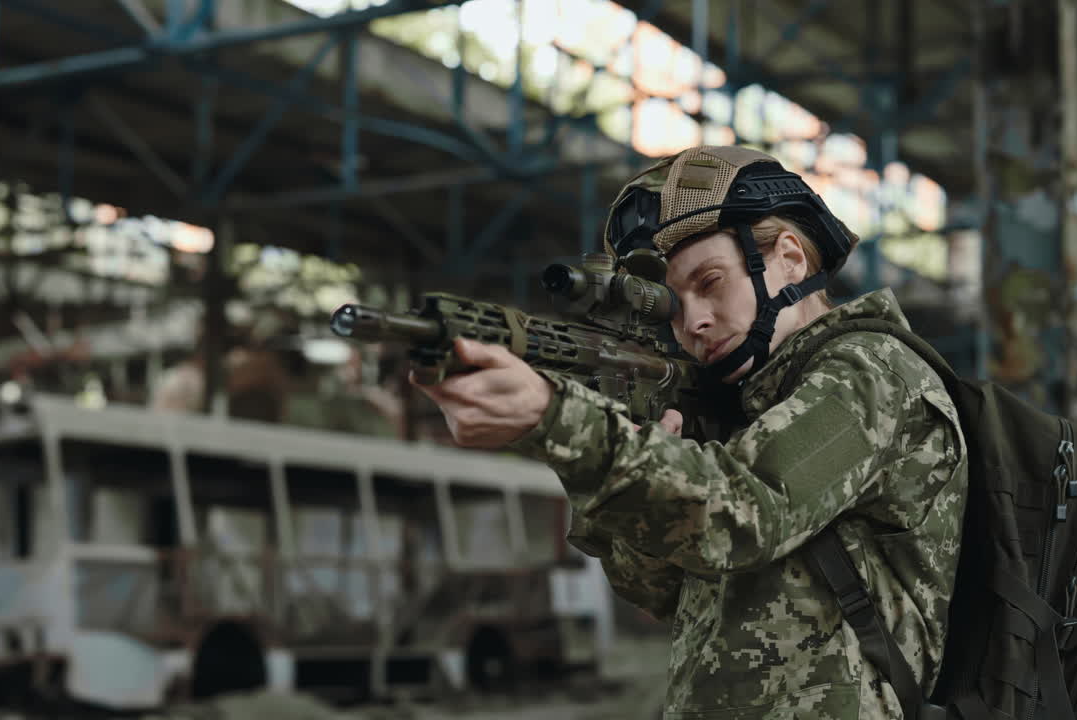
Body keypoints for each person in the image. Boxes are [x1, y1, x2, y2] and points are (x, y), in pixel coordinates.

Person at [413, 146, 967, 719]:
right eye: (674, 307)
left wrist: (558, 420)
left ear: (791, 259)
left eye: (710, 283)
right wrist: (621, 450)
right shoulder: (743, 409)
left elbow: (748, 510)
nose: (693, 323)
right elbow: (656, 589)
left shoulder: (873, 369)